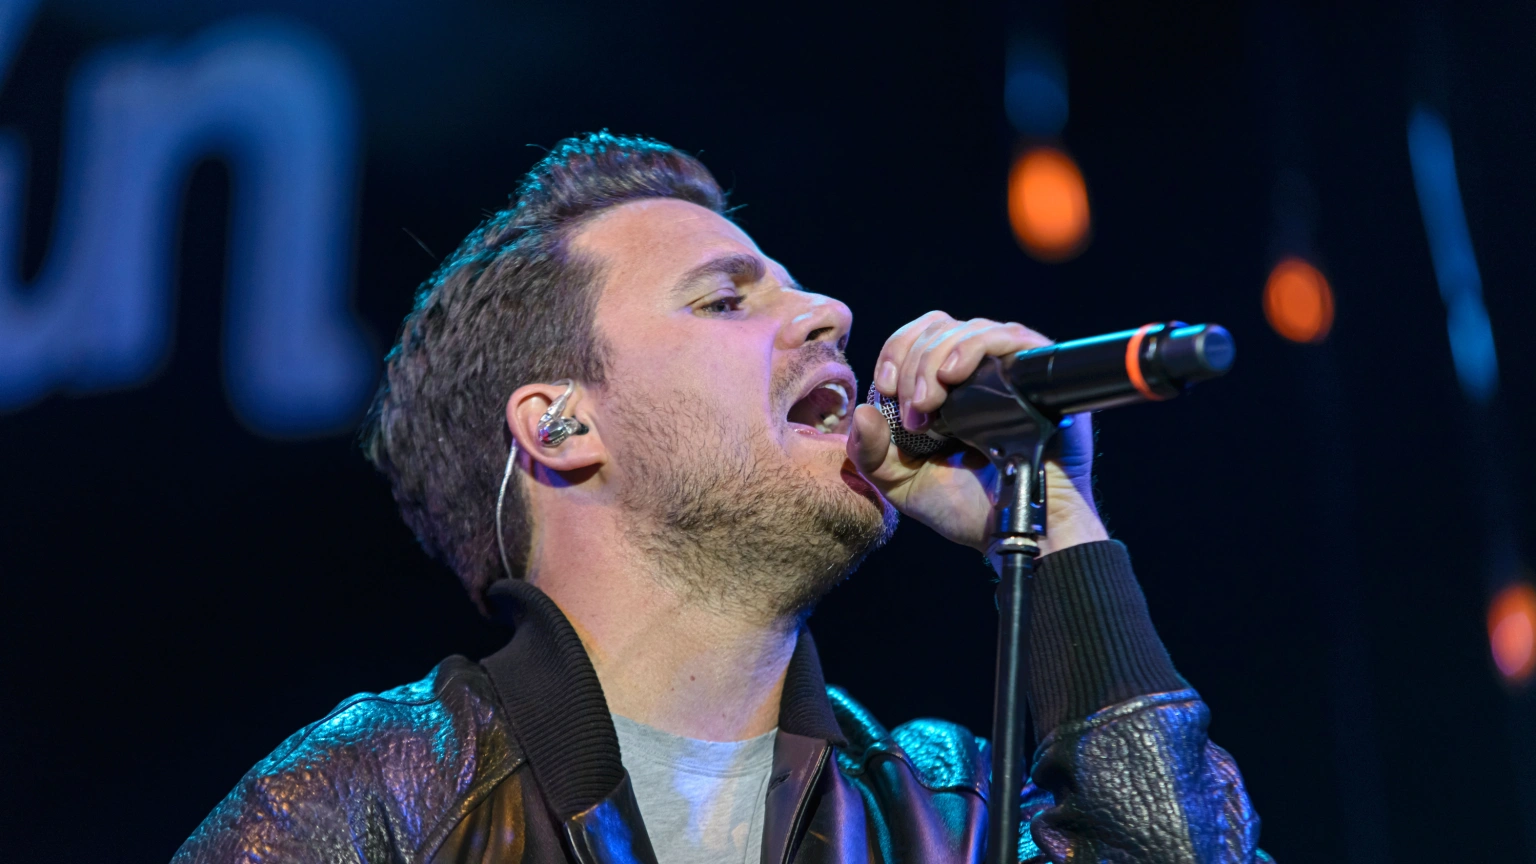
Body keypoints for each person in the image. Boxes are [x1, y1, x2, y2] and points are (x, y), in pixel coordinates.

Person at [174, 132, 1268, 864]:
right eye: (723, 301)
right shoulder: (375, 802)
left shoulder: (944, 812)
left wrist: (1057, 520)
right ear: (560, 426)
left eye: (793, 287)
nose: (831, 313)